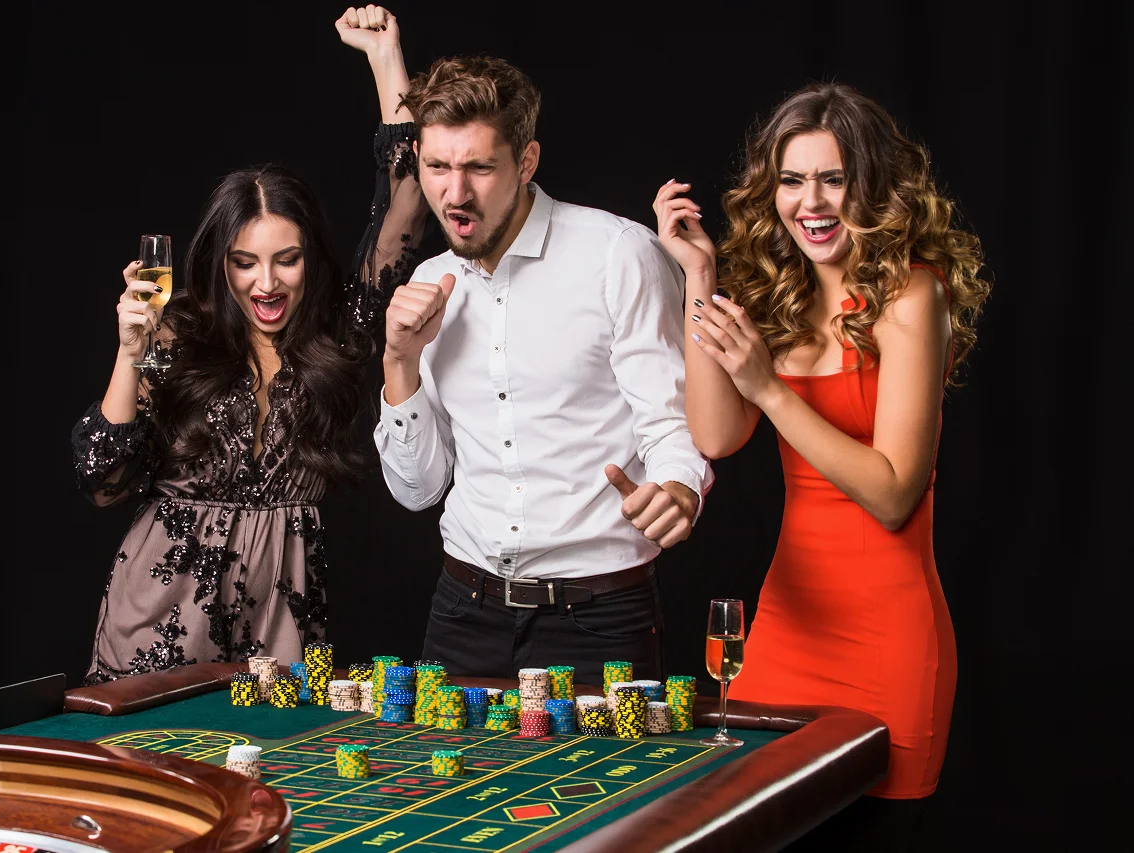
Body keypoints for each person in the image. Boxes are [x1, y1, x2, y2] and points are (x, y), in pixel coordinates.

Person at [652, 82, 989, 831]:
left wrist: (770, 388)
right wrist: (698, 277)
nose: (812, 201)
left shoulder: (911, 297)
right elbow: (714, 437)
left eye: (833, 178)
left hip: (890, 640)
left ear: (869, 184)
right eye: (793, 180)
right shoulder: (779, 298)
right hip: (787, 633)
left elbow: (894, 492)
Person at [71, 6, 426, 683]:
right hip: (157, 620)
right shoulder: (180, 331)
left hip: (281, 623)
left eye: (286, 260)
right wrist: (129, 348)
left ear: (311, 260)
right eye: (244, 262)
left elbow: (407, 200)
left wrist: (386, 61)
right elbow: (103, 478)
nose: (265, 283)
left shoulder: (339, 333)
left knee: (278, 784)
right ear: (221, 261)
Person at [374, 54, 712, 688]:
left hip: (600, 618)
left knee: (605, 795)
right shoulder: (424, 286)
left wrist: (679, 488)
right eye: (437, 167)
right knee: (445, 791)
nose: (454, 193)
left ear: (526, 162)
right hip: (463, 614)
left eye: (479, 166)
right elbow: (416, 490)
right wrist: (400, 362)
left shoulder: (618, 254)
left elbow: (672, 425)